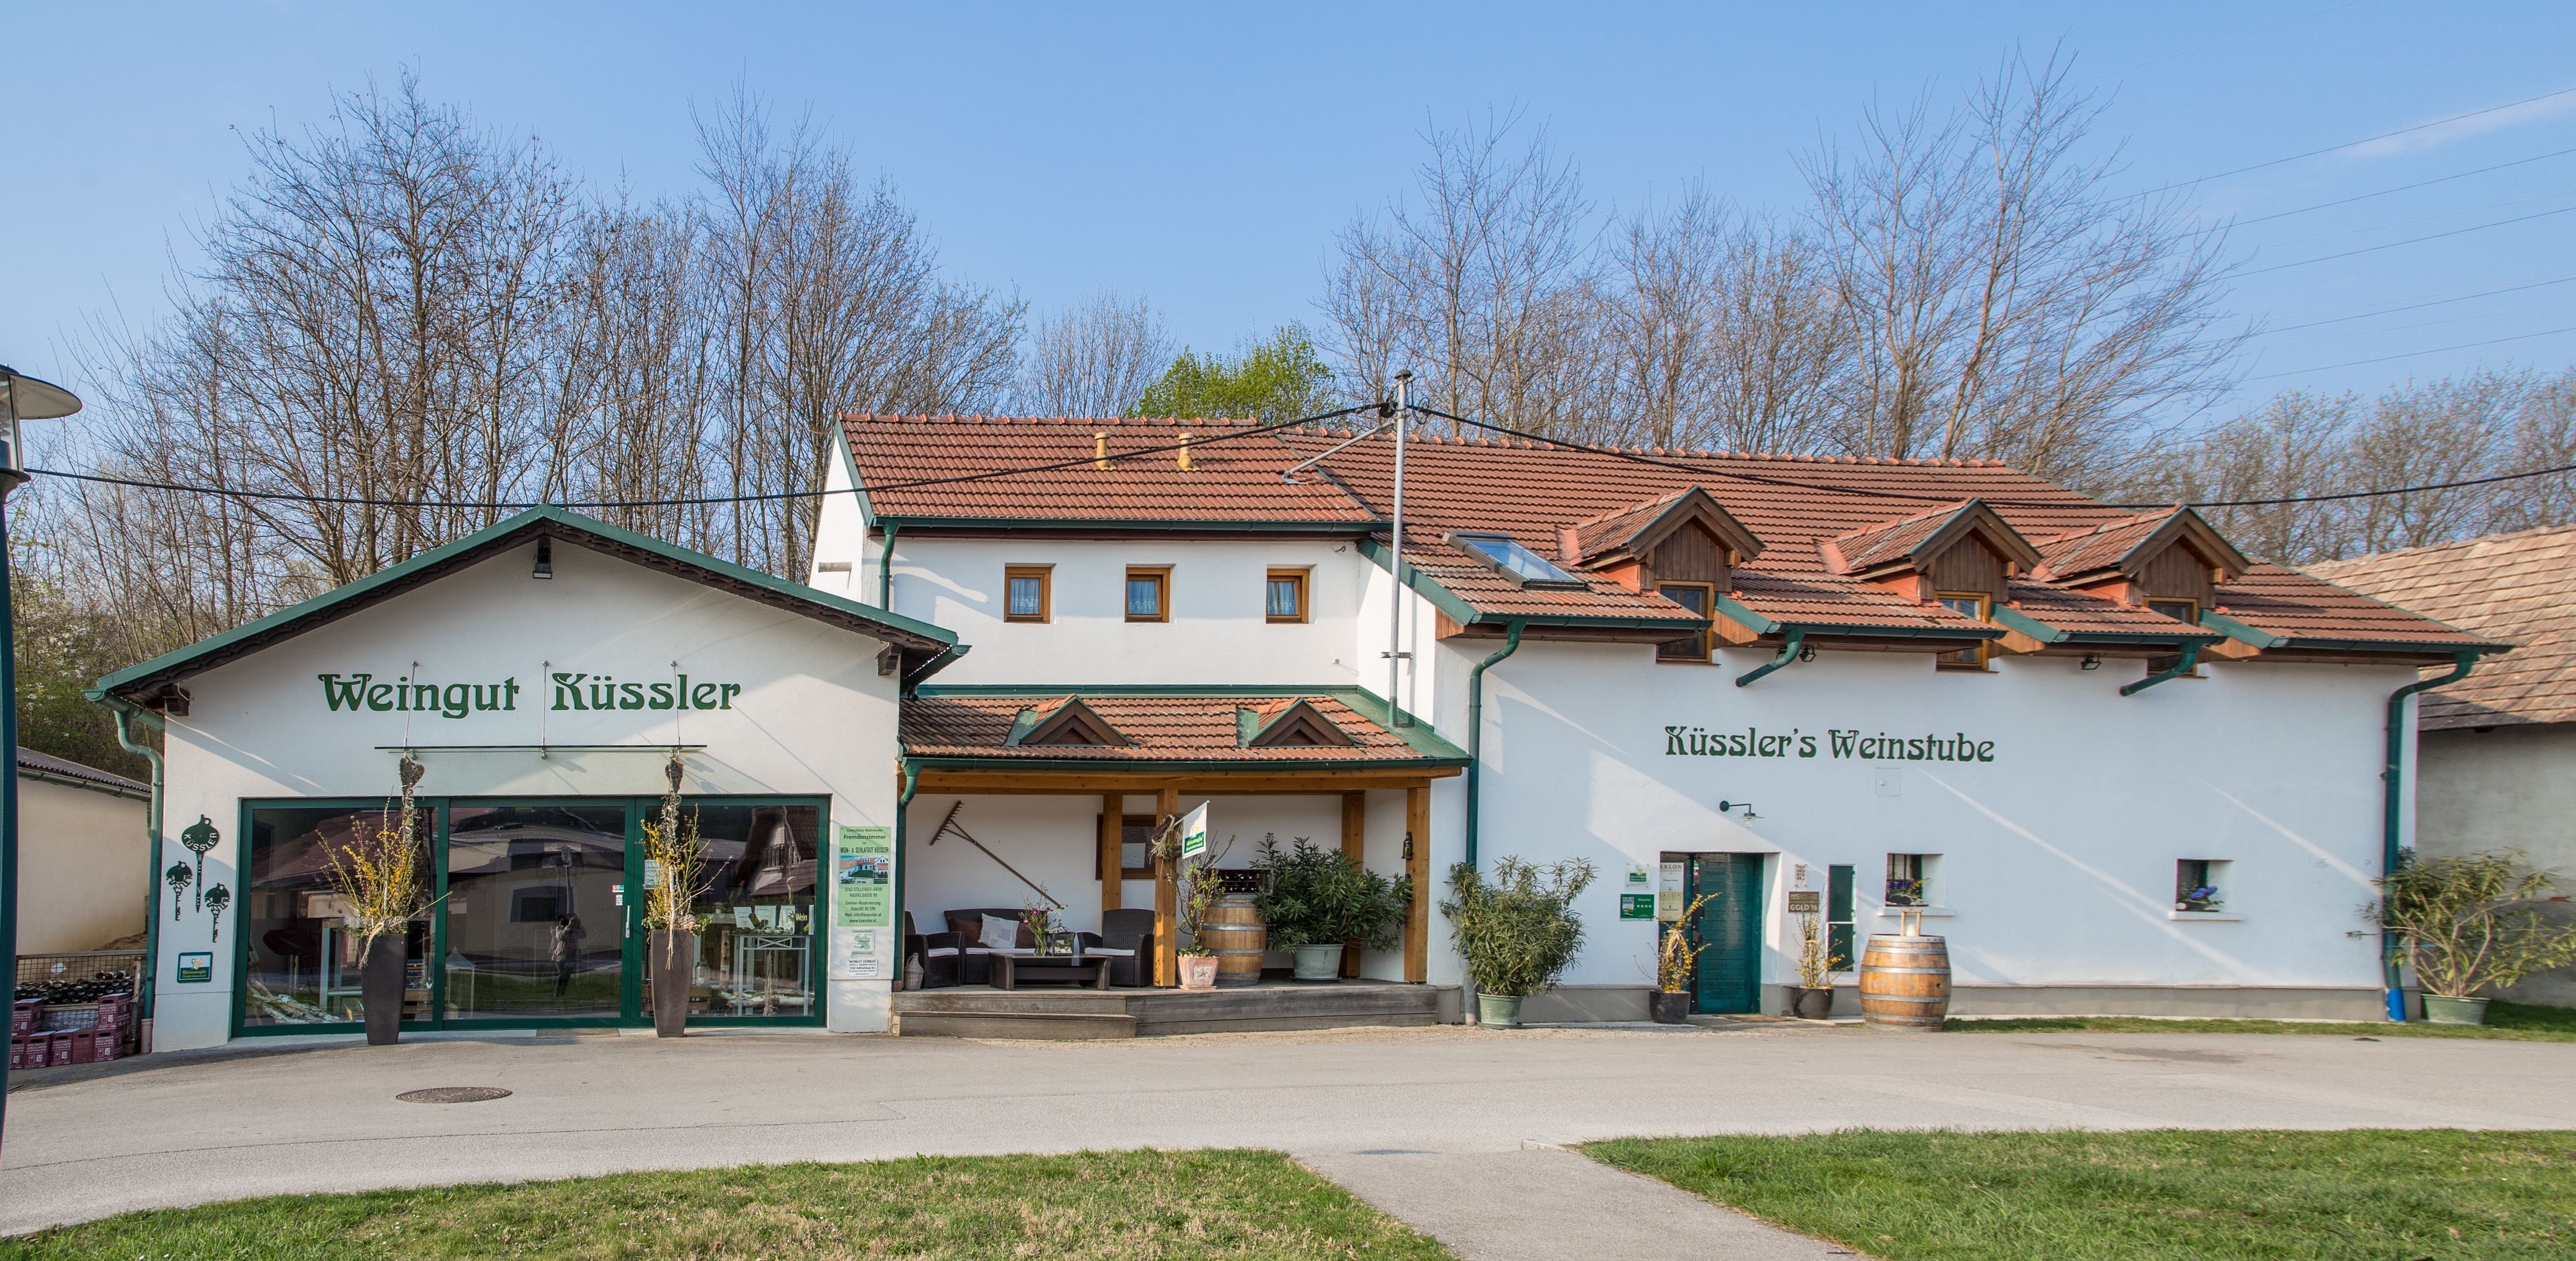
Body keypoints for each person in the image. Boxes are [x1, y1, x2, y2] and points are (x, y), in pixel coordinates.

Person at [551, 913, 586, 999]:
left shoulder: (575, 929)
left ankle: (561, 995)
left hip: (572, 956)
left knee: (566, 977)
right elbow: (560, 936)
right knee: (562, 976)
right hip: (561, 956)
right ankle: (557, 995)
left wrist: (579, 926)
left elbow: (583, 935)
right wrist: (569, 926)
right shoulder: (560, 928)